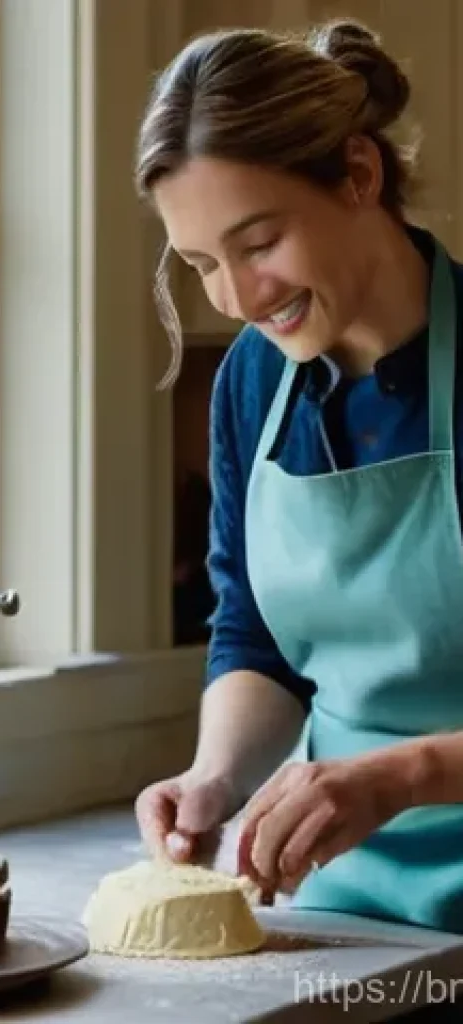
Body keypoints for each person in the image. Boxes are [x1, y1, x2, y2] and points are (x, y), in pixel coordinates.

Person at [132, 17, 463, 933]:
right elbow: (256, 635)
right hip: (343, 900)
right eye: (202, 263)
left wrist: (399, 776)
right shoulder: (252, 378)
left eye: (259, 242)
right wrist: (216, 778)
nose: (240, 298)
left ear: (358, 174)